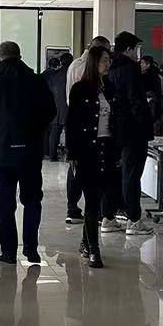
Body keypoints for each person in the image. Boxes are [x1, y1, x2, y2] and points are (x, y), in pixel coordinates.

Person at [0, 42, 56, 264]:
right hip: (30, 151)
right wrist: (35, 129)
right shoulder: (36, 80)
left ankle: (9, 251)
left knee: (5, 203)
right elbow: (51, 111)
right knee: (32, 200)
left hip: (2, 151)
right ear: (19, 56)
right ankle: (31, 249)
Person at [65, 42, 115, 268]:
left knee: (102, 198)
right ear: (94, 62)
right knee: (92, 200)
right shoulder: (80, 89)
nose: (107, 64)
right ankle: (94, 248)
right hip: (87, 150)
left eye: (109, 60)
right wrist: (72, 154)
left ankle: (86, 241)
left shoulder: (110, 88)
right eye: (104, 60)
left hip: (107, 148)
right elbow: (72, 123)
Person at [103, 30, 154, 235]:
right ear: (129, 49)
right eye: (136, 49)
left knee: (113, 175)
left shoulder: (110, 68)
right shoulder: (130, 69)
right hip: (133, 131)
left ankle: (108, 217)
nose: (137, 54)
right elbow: (136, 101)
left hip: (113, 129)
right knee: (132, 175)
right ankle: (133, 219)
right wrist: (145, 123)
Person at [64, 36, 109, 224]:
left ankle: (74, 209)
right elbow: (73, 118)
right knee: (82, 178)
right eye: (104, 58)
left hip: (96, 137)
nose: (108, 63)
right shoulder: (84, 78)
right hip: (86, 134)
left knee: (79, 176)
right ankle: (82, 213)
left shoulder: (74, 65)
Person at [44, 52, 69, 160]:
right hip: (67, 107)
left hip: (55, 106)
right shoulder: (70, 72)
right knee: (69, 132)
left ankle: (52, 155)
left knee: (54, 131)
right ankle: (69, 155)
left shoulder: (53, 74)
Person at [138, 54, 163, 127]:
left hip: (150, 102)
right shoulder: (156, 75)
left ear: (148, 65)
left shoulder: (149, 76)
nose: (140, 65)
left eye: (142, 63)